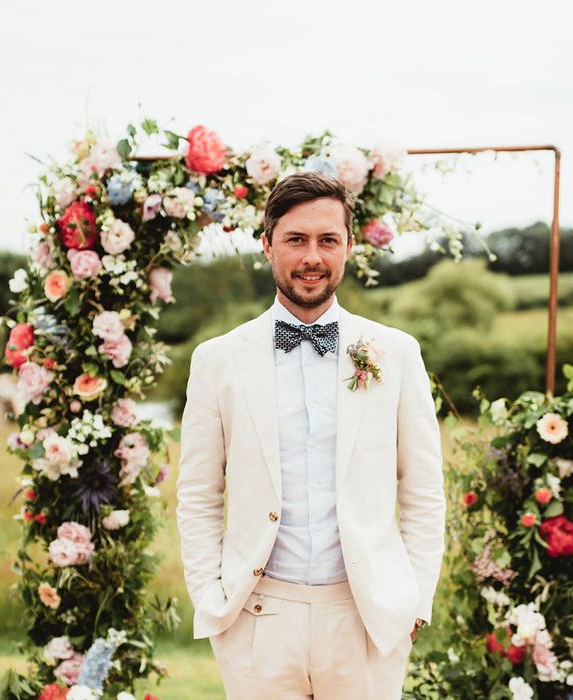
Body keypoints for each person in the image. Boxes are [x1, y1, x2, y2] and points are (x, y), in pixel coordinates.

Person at [176, 171, 445, 699]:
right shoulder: (218, 360)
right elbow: (198, 496)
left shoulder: (396, 352)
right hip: (258, 618)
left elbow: (423, 491)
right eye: (296, 239)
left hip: (366, 617)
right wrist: (213, 600)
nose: (312, 257)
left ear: (349, 246)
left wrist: (413, 599)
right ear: (267, 245)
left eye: (328, 240)